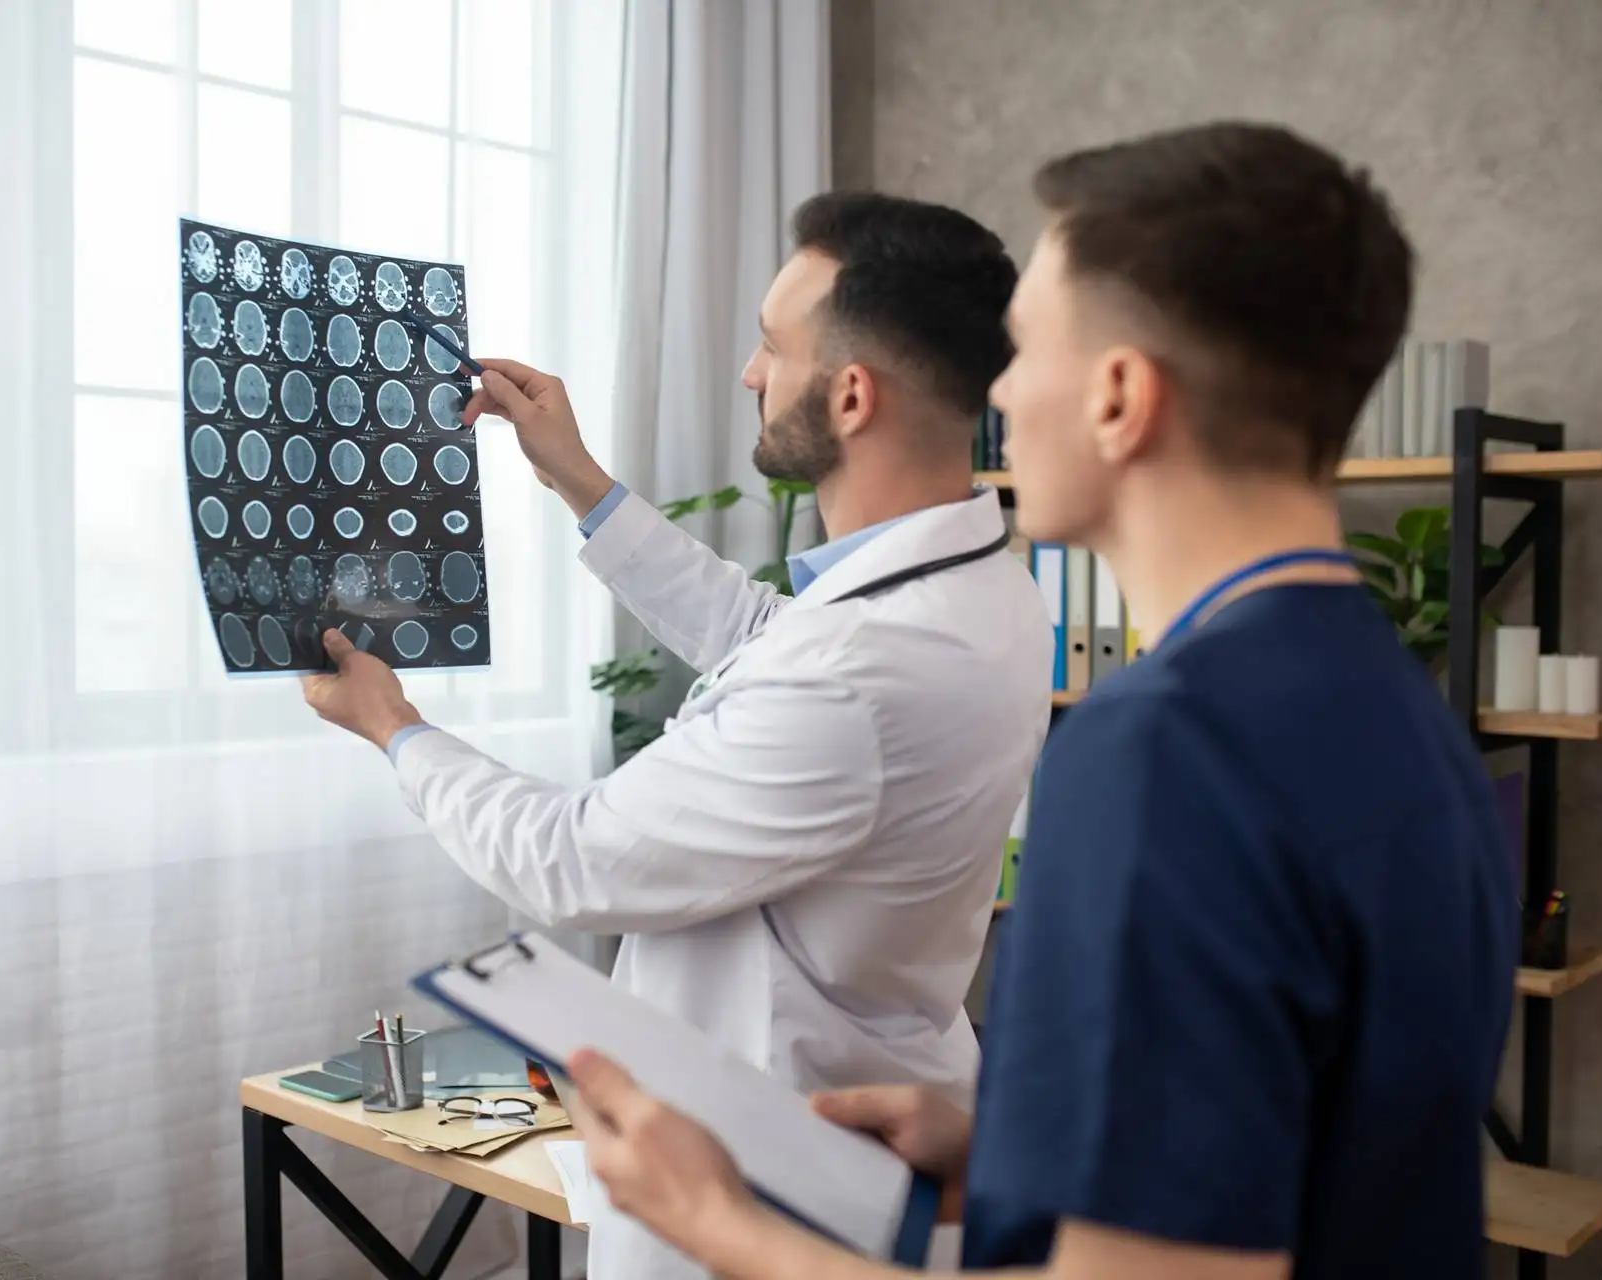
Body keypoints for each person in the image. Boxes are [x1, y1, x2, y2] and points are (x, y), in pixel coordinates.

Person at [556, 122, 1519, 1280]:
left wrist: (718, 1221)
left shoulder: (1167, 750)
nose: (997, 392)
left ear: (1120, 396)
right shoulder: (1394, 705)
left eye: (1022, 352)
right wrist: (1023, 1153)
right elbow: (1311, 1152)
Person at [301, 193, 1055, 1280]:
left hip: (770, 1168)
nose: (751, 371)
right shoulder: (984, 587)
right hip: (879, 1112)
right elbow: (765, 636)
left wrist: (394, 726)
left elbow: (575, 857)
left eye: (770, 344)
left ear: (851, 394)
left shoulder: (858, 670)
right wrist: (578, 478)